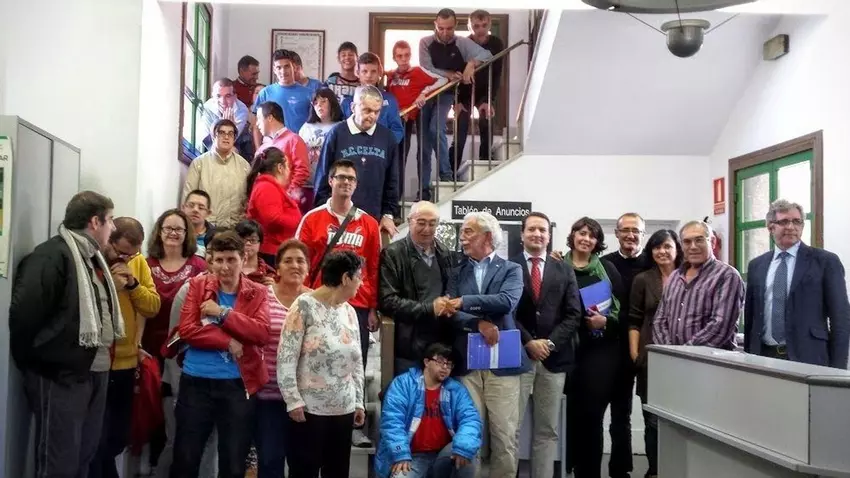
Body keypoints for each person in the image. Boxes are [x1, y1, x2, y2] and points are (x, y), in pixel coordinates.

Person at [10, 191, 121, 478]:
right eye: (110, 220)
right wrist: (45, 364)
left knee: (84, 455)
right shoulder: (51, 256)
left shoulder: (93, 258)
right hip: (62, 376)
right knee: (59, 462)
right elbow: (25, 316)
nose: (114, 227)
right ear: (95, 222)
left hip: (95, 372)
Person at [169, 231, 271, 478]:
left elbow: (261, 333)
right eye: (219, 260)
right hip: (196, 382)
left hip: (237, 385)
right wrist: (227, 342)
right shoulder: (197, 285)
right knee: (185, 458)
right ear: (211, 261)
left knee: (234, 462)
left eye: (231, 259)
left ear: (243, 258)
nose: (225, 267)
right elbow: (188, 329)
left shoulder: (257, 291)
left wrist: (222, 314)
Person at [445, 211, 528, 478]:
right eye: (462, 231)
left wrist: (465, 302)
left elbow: (506, 302)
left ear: (488, 237)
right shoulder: (456, 272)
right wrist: (478, 323)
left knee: (505, 435)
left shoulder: (512, 269)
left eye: (468, 231)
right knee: (469, 434)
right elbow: (450, 312)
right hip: (467, 365)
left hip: (503, 365)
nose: (462, 237)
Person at [277, 250, 366, 478]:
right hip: (309, 409)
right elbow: (286, 357)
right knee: (304, 471)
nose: (361, 282)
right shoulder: (303, 306)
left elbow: (356, 362)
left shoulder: (350, 311)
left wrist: (359, 401)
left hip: (344, 408)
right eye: (359, 277)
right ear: (345, 278)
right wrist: (292, 400)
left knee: (337, 472)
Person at [89, 217, 162, 478]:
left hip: (127, 363)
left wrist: (132, 285)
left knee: (118, 437)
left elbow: (152, 306)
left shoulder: (137, 263)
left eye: (133, 254)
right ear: (109, 242)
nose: (127, 259)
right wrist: (110, 285)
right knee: (96, 440)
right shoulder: (93, 261)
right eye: (122, 253)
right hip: (97, 363)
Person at [512, 212, 582, 478]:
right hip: (519, 357)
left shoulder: (564, 269)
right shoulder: (509, 267)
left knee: (547, 430)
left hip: (554, 360)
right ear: (522, 234)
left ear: (549, 236)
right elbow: (507, 312)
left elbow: (574, 314)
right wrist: (529, 342)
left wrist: (549, 343)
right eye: (531, 229)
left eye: (542, 230)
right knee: (511, 427)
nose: (537, 234)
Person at [744, 199, 850, 368]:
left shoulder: (825, 262)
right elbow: (751, 316)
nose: (791, 227)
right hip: (763, 357)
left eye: (797, 221)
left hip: (809, 357)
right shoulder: (757, 265)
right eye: (784, 221)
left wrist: (838, 368)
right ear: (771, 227)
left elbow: (841, 318)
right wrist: (748, 358)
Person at [560, 217, 624, 478]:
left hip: (600, 352)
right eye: (582, 233)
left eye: (592, 235)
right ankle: (566, 469)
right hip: (564, 350)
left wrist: (605, 321)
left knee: (592, 416)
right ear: (573, 235)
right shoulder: (557, 266)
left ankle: (589, 474)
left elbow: (623, 310)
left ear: (597, 241)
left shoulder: (607, 269)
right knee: (566, 416)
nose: (586, 239)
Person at [375, 343, 481, 478]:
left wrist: (463, 446)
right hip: (413, 456)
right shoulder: (403, 384)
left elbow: (471, 420)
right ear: (426, 362)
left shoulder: (456, 390)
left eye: (449, 364)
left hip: (445, 455)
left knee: (467, 452)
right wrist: (400, 453)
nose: (445, 367)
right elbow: (392, 422)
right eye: (440, 362)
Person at [253, 239, 311, 478]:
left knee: (303, 464)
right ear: (277, 267)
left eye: (300, 261)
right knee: (270, 462)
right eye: (288, 261)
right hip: (269, 395)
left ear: (308, 267)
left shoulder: (316, 301)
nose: (295, 265)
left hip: (306, 398)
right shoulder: (262, 297)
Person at [378, 201, 457, 374]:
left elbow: (451, 288)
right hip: (408, 346)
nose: (427, 229)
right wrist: (429, 308)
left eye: (432, 224)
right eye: (421, 223)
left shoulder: (444, 253)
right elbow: (387, 301)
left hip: (440, 345)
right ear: (409, 221)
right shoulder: (393, 254)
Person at [629, 229, 683, 478]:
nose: (662, 251)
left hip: (684, 357)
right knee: (651, 419)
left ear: (677, 249)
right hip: (650, 358)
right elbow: (634, 319)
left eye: (667, 246)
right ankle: (654, 470)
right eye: (657, 247)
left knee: (681, 418)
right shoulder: (643, 279)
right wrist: (635, 354)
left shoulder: (689, 275)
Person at [313, 85, 400, 236]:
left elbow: (392, 181)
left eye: (376, 112)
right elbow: (323, 177)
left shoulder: (387, 138)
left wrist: (388, 214)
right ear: (353, 107)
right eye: (367, 110)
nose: (372, 116)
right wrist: (323, 212)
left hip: (373, 220)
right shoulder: (336, 134)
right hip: (337, 219)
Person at [419, 8, 492, 181]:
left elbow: (487, 55)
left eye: (449, 28)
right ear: (435, 25)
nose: (445, 33)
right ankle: (424, 188)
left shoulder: (461, 43)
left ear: (456, 25)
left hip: (446, 94)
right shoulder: (425, 42)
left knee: (436, 129)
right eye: (441, 28)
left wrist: (471, 63)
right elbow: (426, 67)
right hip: (425, 93)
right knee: (424, 145)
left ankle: (446, 175)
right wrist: (449, 74)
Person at [600, 212, 647, 478]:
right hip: (607, 348)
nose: (630, 235)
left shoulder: (652, 262)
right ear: (616, 234)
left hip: (642, 348)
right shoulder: (604, 263)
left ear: (643, 234)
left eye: (636, 230)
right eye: (625, 230)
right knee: (605, 413)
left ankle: (622, 471)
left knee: (626, 414)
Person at [652, 221, 745, 350]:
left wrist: (685, 353)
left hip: (711, 360)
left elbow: (720, 326)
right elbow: (659, 320)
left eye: (699, 240)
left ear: (712, 242)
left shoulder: (727, 276)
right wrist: (669, 352)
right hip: (673, 358)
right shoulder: (675, 277)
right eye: (687, 242)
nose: (693, 247)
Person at [386, 40, 447, 201]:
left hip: (412, 117)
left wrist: (424, 93)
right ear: (394, 58)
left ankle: (420, 191)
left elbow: (443, 80)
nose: (403, 59)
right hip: (394, 120)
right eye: (400, 56)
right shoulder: (390, 76)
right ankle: (394, 197)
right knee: (396, 159)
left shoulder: (418, 72)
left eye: (406, 55)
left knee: (417, 153)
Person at [449, 10, 504, 169]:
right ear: (469, 26)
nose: (480, 29)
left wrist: (489, 100)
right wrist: (456, 101)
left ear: (490, 24)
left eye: (484, 25)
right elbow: (455, 76)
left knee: (486, 122)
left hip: (484, 91)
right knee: (460, 133)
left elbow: (497, 74)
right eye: (476, 26)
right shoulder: (462, 45)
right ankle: (450, 173)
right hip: (465, 92)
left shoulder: (496, 43)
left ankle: (484, 165)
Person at [182, 119, 252, 228]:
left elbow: (250, 200)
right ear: (214, 136)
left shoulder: (244, 166)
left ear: (234, 138)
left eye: (230, 134)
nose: (226, 137)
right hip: (205, 228)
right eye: (222, 133)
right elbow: (188, 198)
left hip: (235, 229)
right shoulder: (199, 163)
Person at [246, 147, 303, 267]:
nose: (289, 171)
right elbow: (272, 219)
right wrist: (297, 221)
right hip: (271, 252)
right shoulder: (266, 188)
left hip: (277, 249)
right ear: (280, 168)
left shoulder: (270, 187)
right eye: (288, 166)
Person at [339, 52, 404, 144]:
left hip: (381, 149)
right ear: (358, 73)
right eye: (364, 71)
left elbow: (397, 130)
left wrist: (383, 145)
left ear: (379, 73)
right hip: (353, 149)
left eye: (373, 71)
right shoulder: (347, 103)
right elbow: (341, 131)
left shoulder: (390, 100)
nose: (369, 75)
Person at [298, 88, 344, 213]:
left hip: (330, 186)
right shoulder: (306, 127)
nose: (319, 105)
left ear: (332, 103)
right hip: (307, 184)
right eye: (316, 102)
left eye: (323, 101)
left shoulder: (340, 127)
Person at [254, 100, 311, 201]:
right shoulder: (262, 148)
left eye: (259, 118)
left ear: (270, 118)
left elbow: (302, 171)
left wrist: (287, 194)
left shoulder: (294, 140)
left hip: (286, 201)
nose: (257, 124)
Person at [253, 49, 313, 138]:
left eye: (287, 66)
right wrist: (258, 146)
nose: (283, 71)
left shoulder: (309, 93)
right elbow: (257, 126)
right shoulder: (265, 93)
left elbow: (314, 124)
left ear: (294, 67)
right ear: (274, 70)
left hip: (300, 143)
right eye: (279, 67)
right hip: (273, 144)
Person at [201, 78, 253, 159]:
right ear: (213, 96)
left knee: (233, 151)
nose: (223, 101)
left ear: (235, 97)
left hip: (235, 144)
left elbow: (231, 139)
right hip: (211, 146)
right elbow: (207, 139)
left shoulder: (241, 109)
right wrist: (228, 126)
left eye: (228, 96)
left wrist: (227, 127)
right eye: (218, 96)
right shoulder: (207, 108)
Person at [235, 219, 277, 285]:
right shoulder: (228, 269)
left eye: (253, 240)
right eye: (242, 240)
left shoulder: (269, 273)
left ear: (260, 243)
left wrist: (274, 288)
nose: (248, 243)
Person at [181, 189, 215, 257]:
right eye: (191, 205)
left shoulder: (215, 237)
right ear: (183, 208)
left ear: (208, 213)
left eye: (201, 208)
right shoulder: (174, 232)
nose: (195, 210)